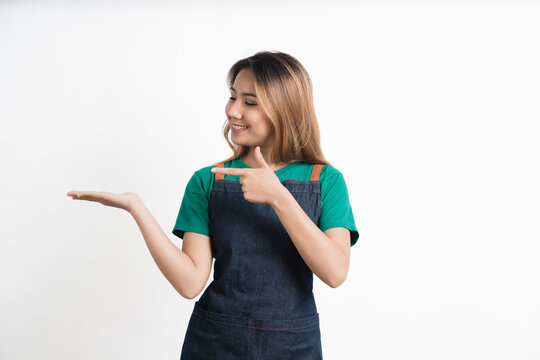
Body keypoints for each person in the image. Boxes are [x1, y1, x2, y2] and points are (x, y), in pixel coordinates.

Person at [67, 50, 359, 359]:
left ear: (285, 109)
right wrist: (136, 208)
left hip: (293, 346)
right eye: (232, 97)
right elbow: (190, 283)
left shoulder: (326, 181)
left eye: (249, 102)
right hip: (214, 341)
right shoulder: (207, 181)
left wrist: (279, 196)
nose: (233, 111)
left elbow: (334, 273)